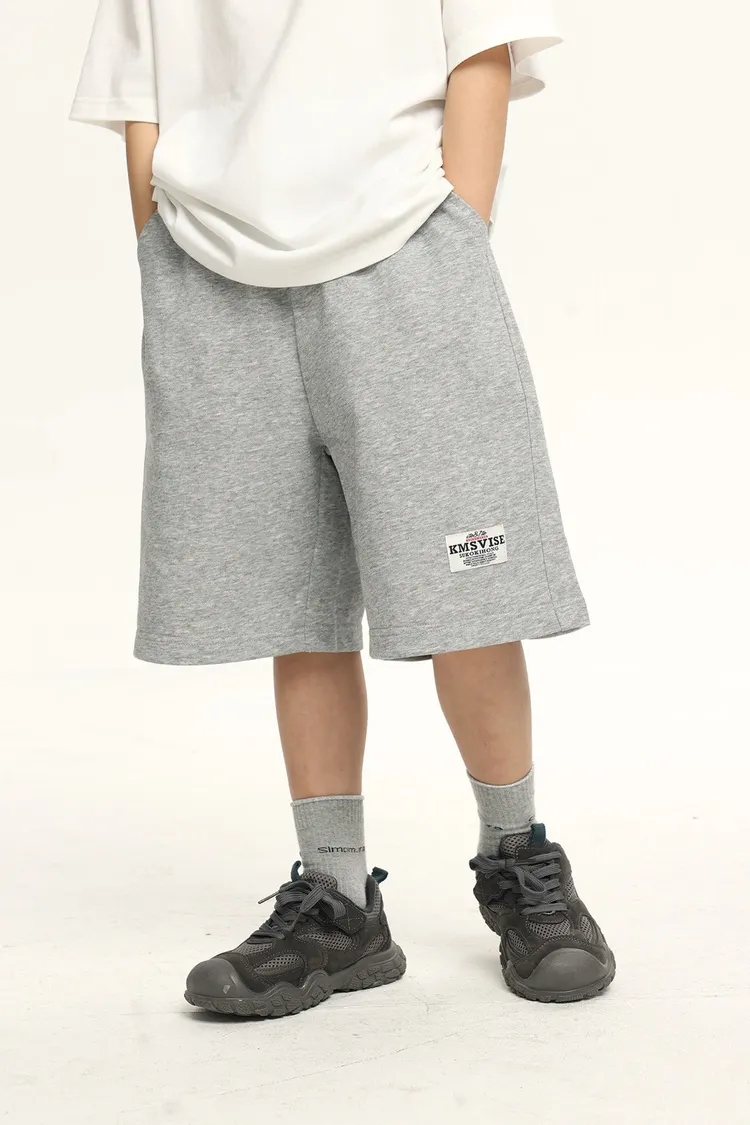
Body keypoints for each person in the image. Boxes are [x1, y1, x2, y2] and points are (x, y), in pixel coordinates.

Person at [70, 0, 615, 1016]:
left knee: (467, 586)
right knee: (295, 601)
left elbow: (482, 44)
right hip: (212, 273)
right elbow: (136, 86)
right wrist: (156, 239)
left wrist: (459, 226)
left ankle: (519, 859)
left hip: (407, 252)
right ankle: (338, 900)